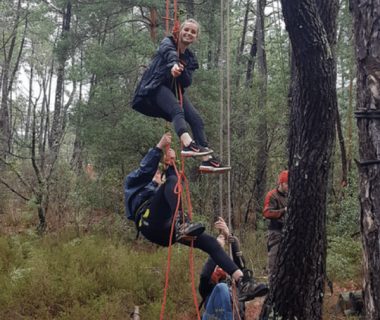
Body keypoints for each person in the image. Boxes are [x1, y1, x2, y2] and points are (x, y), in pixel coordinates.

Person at [124, 133, 262, 302]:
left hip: (167, 231)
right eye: (156, 174)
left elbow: (171, 185)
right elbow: (146, 171)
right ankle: (182, 223)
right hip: (148, 222)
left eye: (159, 174)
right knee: (171, 182)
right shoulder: (134, 184)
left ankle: (242, 281)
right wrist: (159, 147)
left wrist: (170, 164)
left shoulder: (159, 193)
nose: (157, 176)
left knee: (210, 243)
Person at [132, 18, 230, 173]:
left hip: (172, 91)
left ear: (196, 37)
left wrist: (181, 71)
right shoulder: (168, 42)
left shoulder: (190, 58)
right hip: (155, 87)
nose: (189, 33)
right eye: (186, 30)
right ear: (179, 31)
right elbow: (168, 52)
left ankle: (206, 160)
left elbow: (186, 81)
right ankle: (187, 144)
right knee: (177, 111)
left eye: (193, 32)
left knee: (196, 119)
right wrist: (174, 65)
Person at [199, 217, 268, 320]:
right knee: (221, 288)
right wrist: (216, 247)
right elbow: (205, 275)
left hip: (235, 314)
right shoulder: (208, 287)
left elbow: (241, 269)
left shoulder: (236, 285)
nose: (221, 269)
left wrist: (231, 238)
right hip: (213, 316)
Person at [263, 170, 288, 287]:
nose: (288, 186)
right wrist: (283, 211)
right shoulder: (272, 195)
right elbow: (267, 213)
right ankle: (272, 290)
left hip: (289, 233)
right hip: (275, 233)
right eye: (287, 184)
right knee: (273, 264)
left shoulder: (292, 195)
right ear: (281, 183)